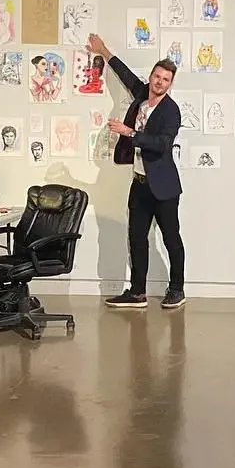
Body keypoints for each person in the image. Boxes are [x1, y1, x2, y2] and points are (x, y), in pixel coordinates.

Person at [87, 33, 186, 310]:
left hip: (164, 187)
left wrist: (130, 132)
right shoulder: (142, 96)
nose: (159, 82)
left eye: (165, 79)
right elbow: (126, 75)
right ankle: (137, 292)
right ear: (152, 77)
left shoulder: (171, 111)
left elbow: (162, 144)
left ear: (170, 83)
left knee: (170, 238)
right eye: (156, 76)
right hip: (140, 184)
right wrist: (104, 50)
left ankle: (177, 289)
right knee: (136, 237)